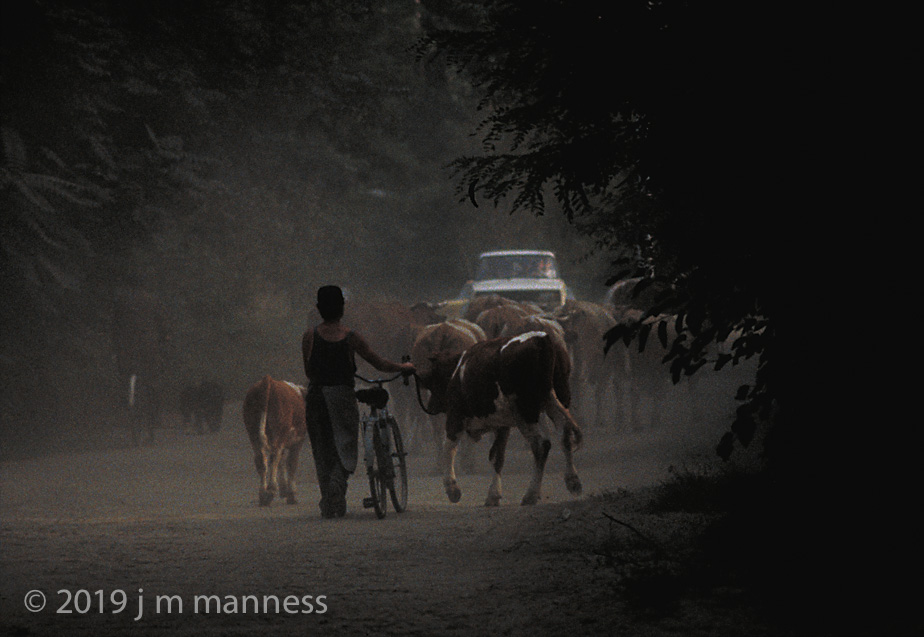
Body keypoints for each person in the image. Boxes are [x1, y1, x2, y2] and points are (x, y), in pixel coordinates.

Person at [301, 285, 415, 518]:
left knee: (322, 449)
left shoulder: (309, 336)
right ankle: (337, 485)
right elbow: (379, 363)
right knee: (345, 444)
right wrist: (404, 367)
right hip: (342, 396)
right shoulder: (350, 337)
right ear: (342, 309)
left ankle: (330, 499)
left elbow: (308, 371)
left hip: (315, 398)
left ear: (318, 309)